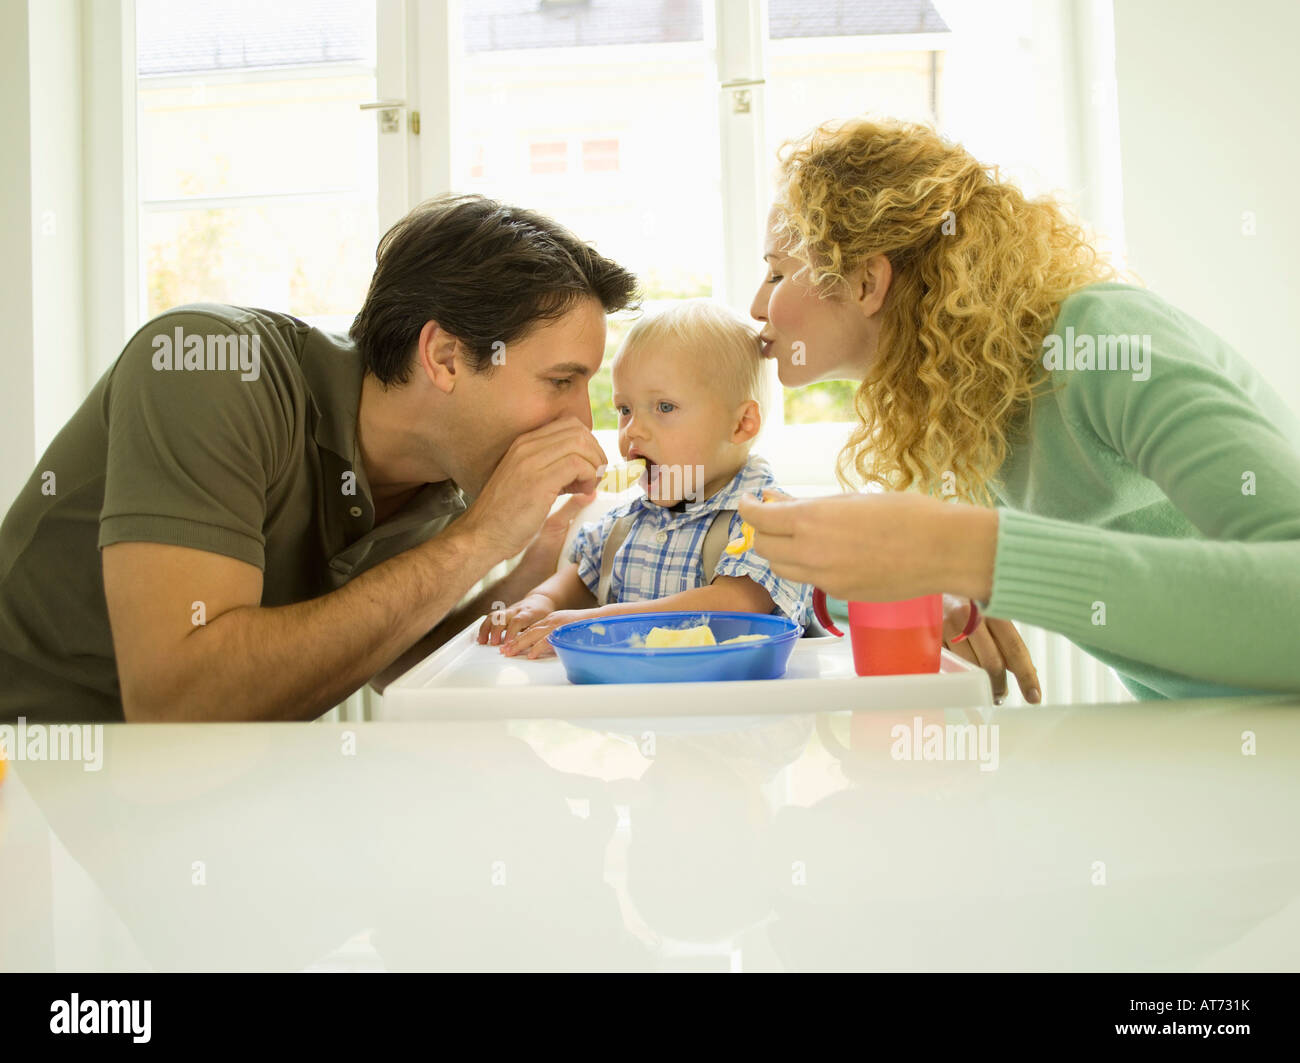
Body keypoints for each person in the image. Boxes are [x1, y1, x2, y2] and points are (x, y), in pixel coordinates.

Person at [0, 194, 637, 723]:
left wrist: (528, 567)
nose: (583, 421)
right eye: (560, 381)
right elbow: (177, 706)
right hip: (34, 777)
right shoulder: (208, 365)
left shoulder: (446, 472)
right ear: (444, 358)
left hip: (211, 790)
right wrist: (480, 539)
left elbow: (395, 657)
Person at [739, 116, 1300, 701]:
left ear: (865, 283)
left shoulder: (1105, 344)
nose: (757, 305)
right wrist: (941, 585)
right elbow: (884, 567)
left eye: (777, 272)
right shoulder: (962, 403)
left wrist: (967, 554)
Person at [483, 299, 811, 658]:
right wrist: (537, 605)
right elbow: (575, 584)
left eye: (664, 407)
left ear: (740, 424)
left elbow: (732, 607)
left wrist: (599, 620)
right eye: (625, 410)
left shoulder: (767, 520)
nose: (633, 430)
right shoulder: (621, 527)